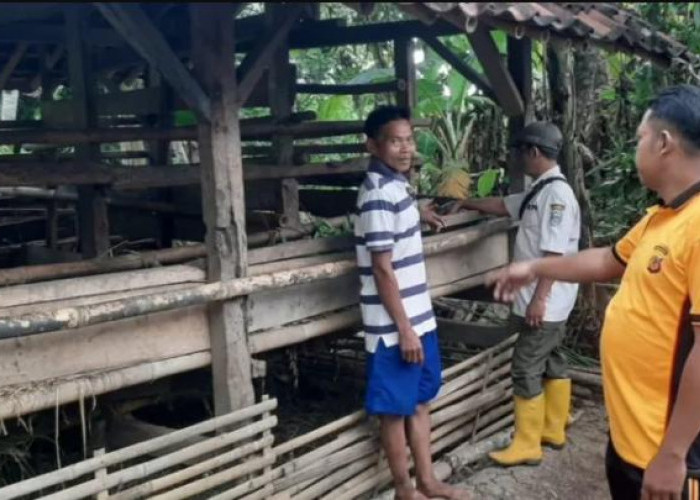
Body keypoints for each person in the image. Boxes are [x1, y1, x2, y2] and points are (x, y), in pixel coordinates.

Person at [487, 85, 700, 499]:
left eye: (639, 138)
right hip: (633, 439)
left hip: (670, 453)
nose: (636, 147)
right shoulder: (664, 217)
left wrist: (673, 454)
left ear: (663, 143)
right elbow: (606, 261)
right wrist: (533, 267)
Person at [449, 122, 581, 467]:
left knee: (524, 368)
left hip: (546, 299)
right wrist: (467, 203)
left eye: (521, 152)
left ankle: (527, 443)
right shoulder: (543, 189)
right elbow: (505, 205)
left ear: (533, 152)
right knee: (551, 359)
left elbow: (554, 254)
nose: (518, 159)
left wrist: (540, 298)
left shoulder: (557, 196)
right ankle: (553, 429)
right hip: (545, 298)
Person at [355, 105, 468, 500]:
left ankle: (428, 480)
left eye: (408, 140)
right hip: (393, 329)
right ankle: (405, 489)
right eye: (394, 141)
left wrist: (419, 211)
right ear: (372, 144)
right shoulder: (376, 196)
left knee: (420, 402)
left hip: (418, 320)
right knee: (394, 410)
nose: (405, 149)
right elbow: (382, 270)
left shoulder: (398, 187)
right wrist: (403, 329)